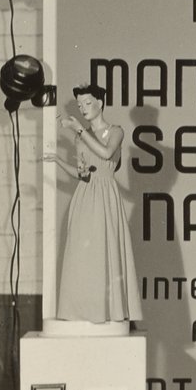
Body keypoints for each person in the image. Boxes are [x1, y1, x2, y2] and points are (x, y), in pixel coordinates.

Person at [51, 85, 136, 328]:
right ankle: (81, 311)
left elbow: (107, 153)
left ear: (101, 103)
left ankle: (107, 311)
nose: (83, 109)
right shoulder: (80, 137)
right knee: (82, 255)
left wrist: (78, 128)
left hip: (106, 196)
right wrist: (58, 160)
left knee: (104, 251)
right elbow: (83, 174)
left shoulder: (116, 131)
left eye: (87, 103)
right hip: (85, 197)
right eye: (79, 105)